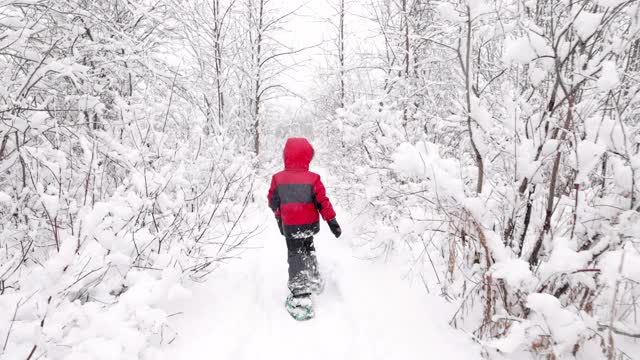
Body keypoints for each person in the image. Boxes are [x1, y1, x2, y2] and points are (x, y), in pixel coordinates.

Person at [267, 137, 341, 308]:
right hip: (310, 226)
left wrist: (279, 216)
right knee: (308, 248)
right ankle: (313, 277)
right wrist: (332, 221)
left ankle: (301, 293)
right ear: (307, 157)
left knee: (295, 254)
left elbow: (272, 201)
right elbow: (322, 202)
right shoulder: (314, 179)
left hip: (291, 226)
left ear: (287, 155)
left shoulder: (278, 178)